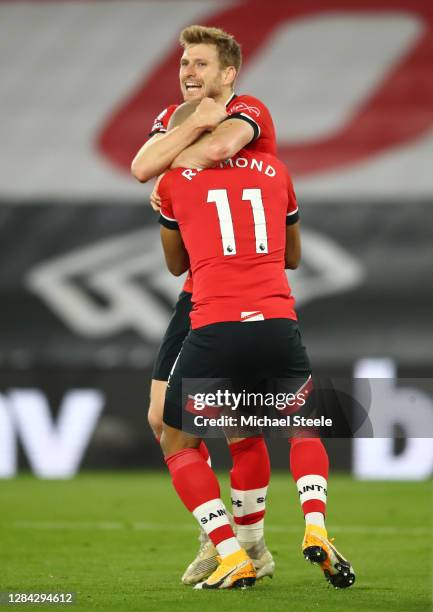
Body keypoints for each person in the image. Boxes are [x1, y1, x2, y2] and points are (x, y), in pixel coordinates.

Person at [131, 24, 277, 585]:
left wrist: (176, 158)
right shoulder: (172, 116)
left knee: (237, 425)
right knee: (162, 421)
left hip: (244, 292)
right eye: (184, 64)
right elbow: (143, 167)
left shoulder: (252, 110)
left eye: (200, 64)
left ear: (228, 73)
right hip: (195, 290)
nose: (189, 73)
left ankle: (249, 546)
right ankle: (219, 538)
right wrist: (179, 148)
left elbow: (216, 148)